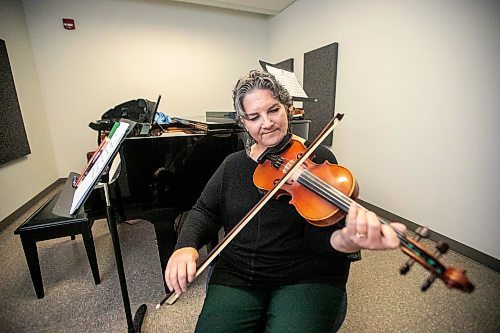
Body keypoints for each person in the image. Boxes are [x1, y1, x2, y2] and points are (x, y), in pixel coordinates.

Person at [165, 70, 406, 332]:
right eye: (254, 117)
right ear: (243, 122)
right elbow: (204, 210)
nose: (266, 123)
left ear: (287, 109)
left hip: (305, 274)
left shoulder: (318, 160)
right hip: (239, 273)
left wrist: (347, 240)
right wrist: (185, 246)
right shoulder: (233, 165)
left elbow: (324, 237)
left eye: (273, 110)